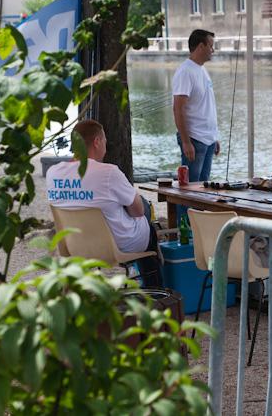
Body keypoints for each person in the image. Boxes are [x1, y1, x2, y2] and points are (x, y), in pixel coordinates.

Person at [47, 120, 162, 287]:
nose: (106, 148)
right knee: (143, 210)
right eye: (105, 142)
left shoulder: (52, 173)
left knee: (114, 203)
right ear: (96, 141)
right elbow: (138, 213)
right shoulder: (108, 172)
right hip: (117, 245)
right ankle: (154, 292)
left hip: (75, 245)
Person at [173, 29, 221, 221]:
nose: (213, 50)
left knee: (202, 190)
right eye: (211, 46)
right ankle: (185, 230)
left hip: (208, 139)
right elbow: (178, 109)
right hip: (194, 139)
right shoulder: (185, 72)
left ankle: (198, 228)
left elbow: (205, 106)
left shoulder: (202, 69)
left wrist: (214, 136)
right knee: (189, 189)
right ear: (200, 46)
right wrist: (186, 142)